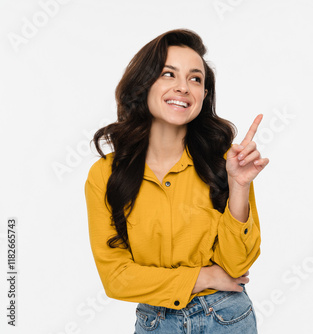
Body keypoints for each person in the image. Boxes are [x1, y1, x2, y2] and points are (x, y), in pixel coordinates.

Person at [84, 29, 269, 333]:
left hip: (226, 317)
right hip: (156, 322)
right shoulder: (105, 175)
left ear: (204, 95)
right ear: (144, 84)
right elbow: (116, 277)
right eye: (169, 74)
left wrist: (239, 186)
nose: (183, 87)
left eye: (195, 79)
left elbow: (236, 267)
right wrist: (204, 277)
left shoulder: (224, 163)